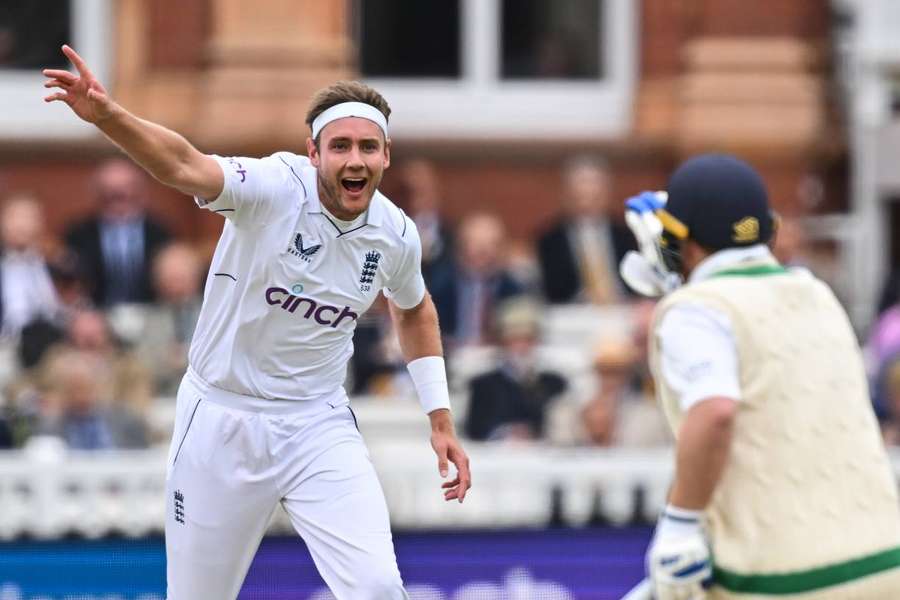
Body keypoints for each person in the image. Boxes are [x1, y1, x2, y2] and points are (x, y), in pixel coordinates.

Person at [43, 45, 470, 600]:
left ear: (387, 156)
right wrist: (108, 115)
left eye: (368, 147)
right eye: (339, 146)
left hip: (318, 424)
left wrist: (439, 420)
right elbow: (183, 164)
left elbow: (414, 309)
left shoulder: (396, 233)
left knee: (379, 589)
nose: (355, 161)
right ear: (312, 153)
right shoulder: (272, 186)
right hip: (222, 417)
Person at [620, 154, 900, 599]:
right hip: (885, 563)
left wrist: (679, 526)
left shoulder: (693, 312)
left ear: (682, 242)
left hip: (785, 580)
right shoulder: (816, 294)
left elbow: (716, 411)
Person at [65, 157, 172, 307]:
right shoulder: (78, 234)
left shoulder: (160, 232)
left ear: (139, 191)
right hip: (96, 314)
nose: (118, 196)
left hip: (151, 311)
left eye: (125, 190)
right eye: (110, 192)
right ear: (97, 194)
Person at [536, 155, 633, 304]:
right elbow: (552, 290)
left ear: (607, 193)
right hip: (572, 314)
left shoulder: (626, 235)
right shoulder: (549, 239)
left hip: (623, 308)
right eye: (581, 195)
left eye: (595, 195)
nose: (588, 200)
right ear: (566, 195)